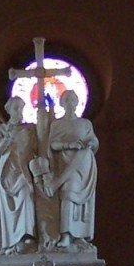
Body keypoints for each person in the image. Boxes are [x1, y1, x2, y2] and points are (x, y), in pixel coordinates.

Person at [44, 90, 98, 247]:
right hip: (65, 163)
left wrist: (89, 144)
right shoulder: (57, 124)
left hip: (84, 167)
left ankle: (80, 235)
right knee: (68, 193)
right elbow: (52, 144)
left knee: (83, 201)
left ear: (77, 103)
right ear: (62, 103)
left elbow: (93, 141)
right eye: (67, 100)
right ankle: (66, 234)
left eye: (73, 99)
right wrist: (69, 145)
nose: (70, 103)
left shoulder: (85, 124)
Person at [0, 96, 37, 254]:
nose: (19, 111)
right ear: (9, 110)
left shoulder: (29, 130)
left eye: (21, 108)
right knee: (8, 206)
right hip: (7, 172)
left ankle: (26, 235)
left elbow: (35, 150)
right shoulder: (0, 130)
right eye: (16, 108)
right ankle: (11, 240)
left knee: (26, 193)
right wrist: (8, 138)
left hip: (22, 170)